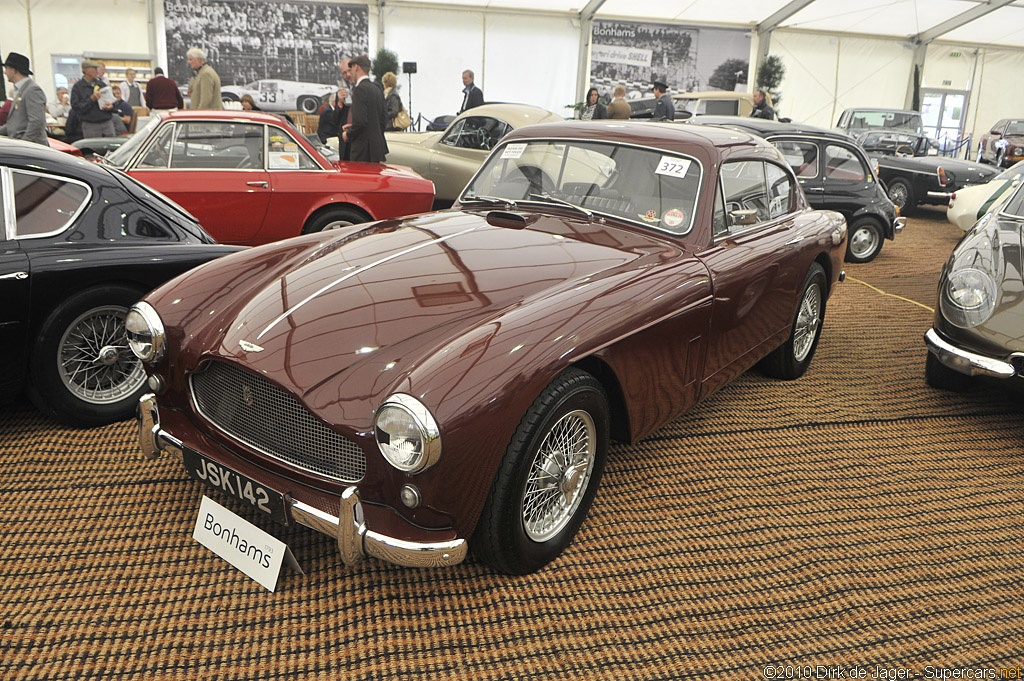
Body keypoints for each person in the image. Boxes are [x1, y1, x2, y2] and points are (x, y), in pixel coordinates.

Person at [342, 55, 388, 163]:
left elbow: (360, 121)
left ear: (356, 67)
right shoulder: (376, 89)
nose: (350, 73)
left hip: (362, 151)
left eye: (351, 68)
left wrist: (348, 134)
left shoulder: (359, 90)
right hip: (377, 150)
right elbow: (383, 118)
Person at [0, 52, 48, 146]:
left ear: (14, 70)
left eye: (7, 68)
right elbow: (14, 124)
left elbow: (36, 122)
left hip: (33, 149)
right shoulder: (21, 90)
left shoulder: (32, 90)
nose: (5, 72)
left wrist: (24, 143)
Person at [70, 58, 115, 138]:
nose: (97, 71)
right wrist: (91, 100)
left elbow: (113, 102)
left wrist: (111, 107)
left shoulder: (101, 84)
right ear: (86, 70)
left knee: (111, 148)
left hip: (107, 123)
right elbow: (77, 108)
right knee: (93, 148)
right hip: (90, 125)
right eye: (94, 69)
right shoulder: (78, 88)